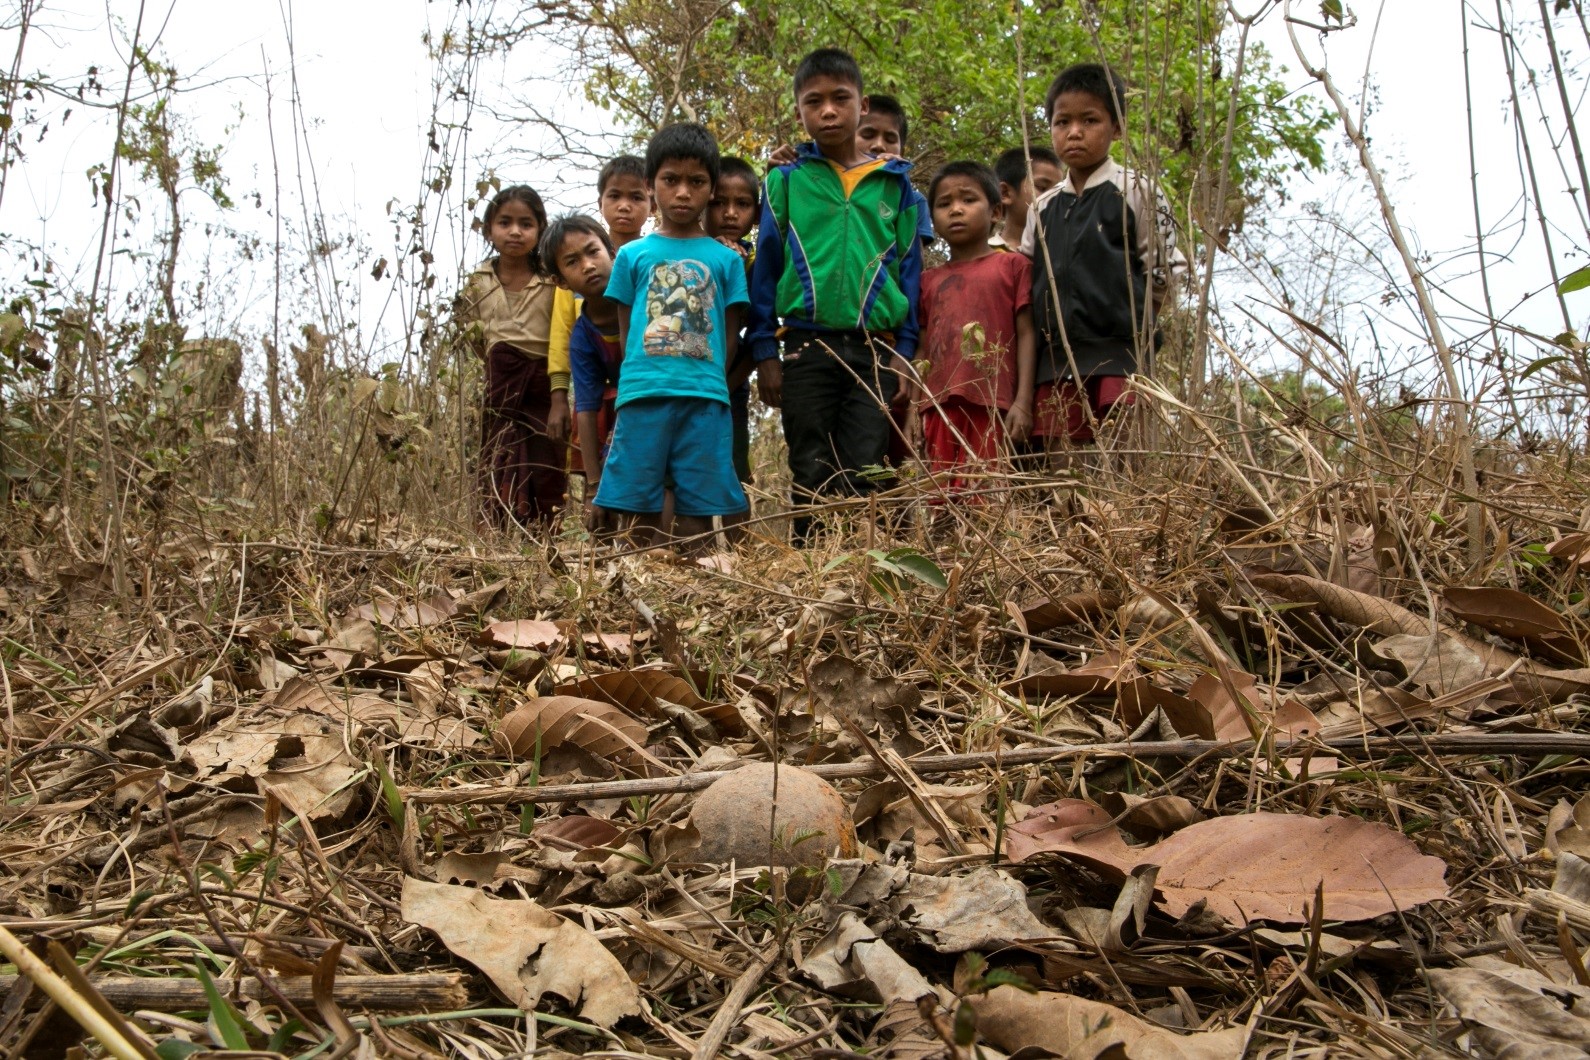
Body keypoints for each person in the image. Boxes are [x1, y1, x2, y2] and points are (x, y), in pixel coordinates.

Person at [747, 48, 924, 544]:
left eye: (839, 99)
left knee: (866, 464)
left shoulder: (897, 185)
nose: (827, 111)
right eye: (814, 102)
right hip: (806, 347)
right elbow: (766, 266)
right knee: (809, 464)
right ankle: (809, 574)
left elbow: (909, 272)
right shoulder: (785, 180)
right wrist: (765, 351)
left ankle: (859, 572)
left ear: (862, 106)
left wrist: (905, 352)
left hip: (874, 351)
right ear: (799, 112)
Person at [595, 123, 762, 550]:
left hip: (705, 398)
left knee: (700, 507)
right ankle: (636, 584)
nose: (683, 193)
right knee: (637, 502)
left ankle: (697, 593)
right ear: (651, 186)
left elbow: (728, 332)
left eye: (696, 182)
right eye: (671, 180)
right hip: (643, 394)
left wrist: (710, 380)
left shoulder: (725, 260)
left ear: (710, 188)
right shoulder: (632, 256)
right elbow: (625, 325)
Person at [1019, 63, 1185, 452]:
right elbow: (1025, 278)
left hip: (1120, 355)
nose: (1074, 132)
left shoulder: (1136, 190)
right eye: (1063, 122)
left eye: (1089, 120)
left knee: (1122, 455)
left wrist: (1137, 330)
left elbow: (1161, 270)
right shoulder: (1041, 208)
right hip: (1055, 361)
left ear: (1117, 128)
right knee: (1063, 467)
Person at [909, 161, 1035, 493]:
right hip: (938, 406)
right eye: (944, 203)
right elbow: (922, 347)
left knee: (986, 492)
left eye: (968, 200)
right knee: (943, 496)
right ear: (933, 219)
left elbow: (1026, 334)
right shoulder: (927, 281)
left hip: (992, 402)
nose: (956, 210)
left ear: (995, 211)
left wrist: (1023, 399)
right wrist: (914, 408)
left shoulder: (1013, 265)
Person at [454, 185, 567, 528]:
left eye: (526, 224)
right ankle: (498, 535)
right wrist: (501, 366)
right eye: (505, 223)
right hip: (499, 392)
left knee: (546, 466)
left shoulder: (554, 279)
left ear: (540, 229)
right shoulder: (476, 282)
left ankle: (545, 535)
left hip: (543, 392)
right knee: (498, 459)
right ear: (489, 228)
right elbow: (472, 338)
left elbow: (565, 333)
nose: (515, 232)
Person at [550, 155, 652, 480]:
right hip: (606, 399)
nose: (588, 266)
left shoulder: (656, 260)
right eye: (615, 196)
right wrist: (558, 393)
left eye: (636, 197)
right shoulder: (583, 333)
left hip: (656, 393)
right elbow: (562, 336)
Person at [541, 213, 623, 532]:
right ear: (560, 282)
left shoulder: (644, 300)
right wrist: (593, 485)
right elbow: (586, 408)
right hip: (620, 411)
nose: (588, 265)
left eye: (593, 252)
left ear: (612, 252)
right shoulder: (583, 337)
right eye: (572, 262)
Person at [705, 156, 762, 533]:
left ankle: (742, 555)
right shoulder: (682, 252)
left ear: (756, 214)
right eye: (718, 202)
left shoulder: (756, 263)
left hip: (730, 384)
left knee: (734, 470)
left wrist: (729, 384)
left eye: (741, 204)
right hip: (679, 379)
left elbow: (760, 333)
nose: (729, 213)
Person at [991, 145, 1061, 251]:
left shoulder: (1061, 253)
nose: (1054, 197)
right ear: (1004, 193)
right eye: (1042, 188)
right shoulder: (983, 256)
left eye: (1059, 192)